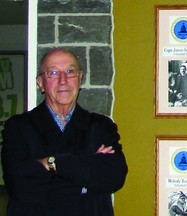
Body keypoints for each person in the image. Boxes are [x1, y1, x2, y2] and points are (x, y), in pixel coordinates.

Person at [1, 48, 128, 216]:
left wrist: (52, 162)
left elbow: (114, 178)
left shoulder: (101, 126)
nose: (63, 80)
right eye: (53, 73)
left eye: (70, 71)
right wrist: (86, 177)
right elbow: (20, 185)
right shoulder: (18, 127)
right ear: (40, 82)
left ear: (80, 78)